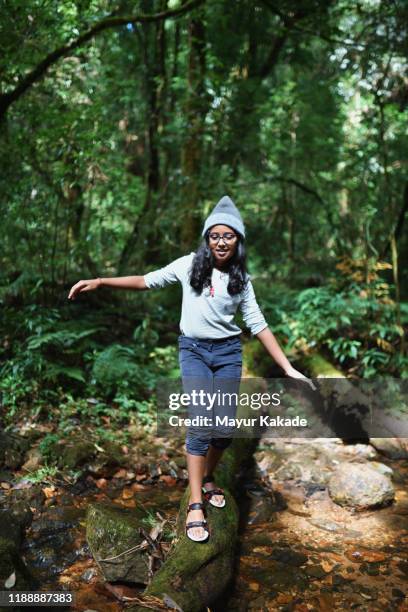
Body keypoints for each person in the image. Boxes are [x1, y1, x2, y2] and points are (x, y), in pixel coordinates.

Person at [68, 195, 312, 543]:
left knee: (224, 431)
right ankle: (196, 501)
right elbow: (146, 280)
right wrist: (102, 281)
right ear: (207, 238)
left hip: (228, 352)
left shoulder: (241, 278)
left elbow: (257, 324)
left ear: (238, 241)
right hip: (193, 351)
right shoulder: (188, 266)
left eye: (229, 236)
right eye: (215, 236)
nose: (221, 242)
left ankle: (209, 476)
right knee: (201, 424)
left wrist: (286, 367)